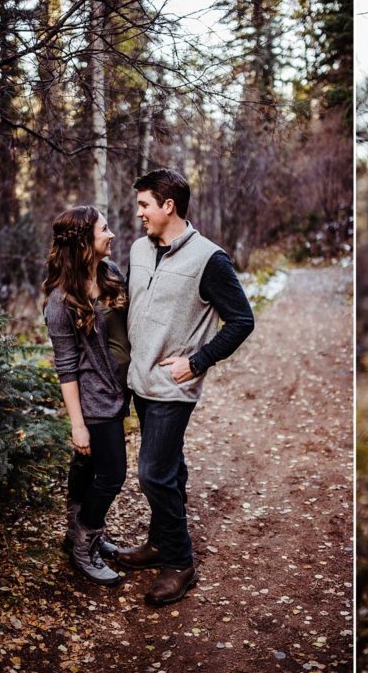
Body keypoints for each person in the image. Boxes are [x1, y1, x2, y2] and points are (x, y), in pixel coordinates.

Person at [116, 168, 255, 607]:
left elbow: (242, 320)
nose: (138, 213)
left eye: (144, 205)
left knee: (152, 473)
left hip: (173, 388)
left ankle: (179, 561)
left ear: (167, 206)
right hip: (138, 381)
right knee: (170, 468)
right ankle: (159, 542)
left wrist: (197, 362)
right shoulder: (139, 250)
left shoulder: (209, 259)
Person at [43, 206, 130, 586]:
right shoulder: (61, 302)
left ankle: (78, 532)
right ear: (83, 241)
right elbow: (66, 368)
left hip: (121, 390)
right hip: (95, 400)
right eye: (103, 229)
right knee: (112, 475)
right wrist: (77, 425)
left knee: (90, 470)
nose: (111, 234)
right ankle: (84, 543)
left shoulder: (111, 274)